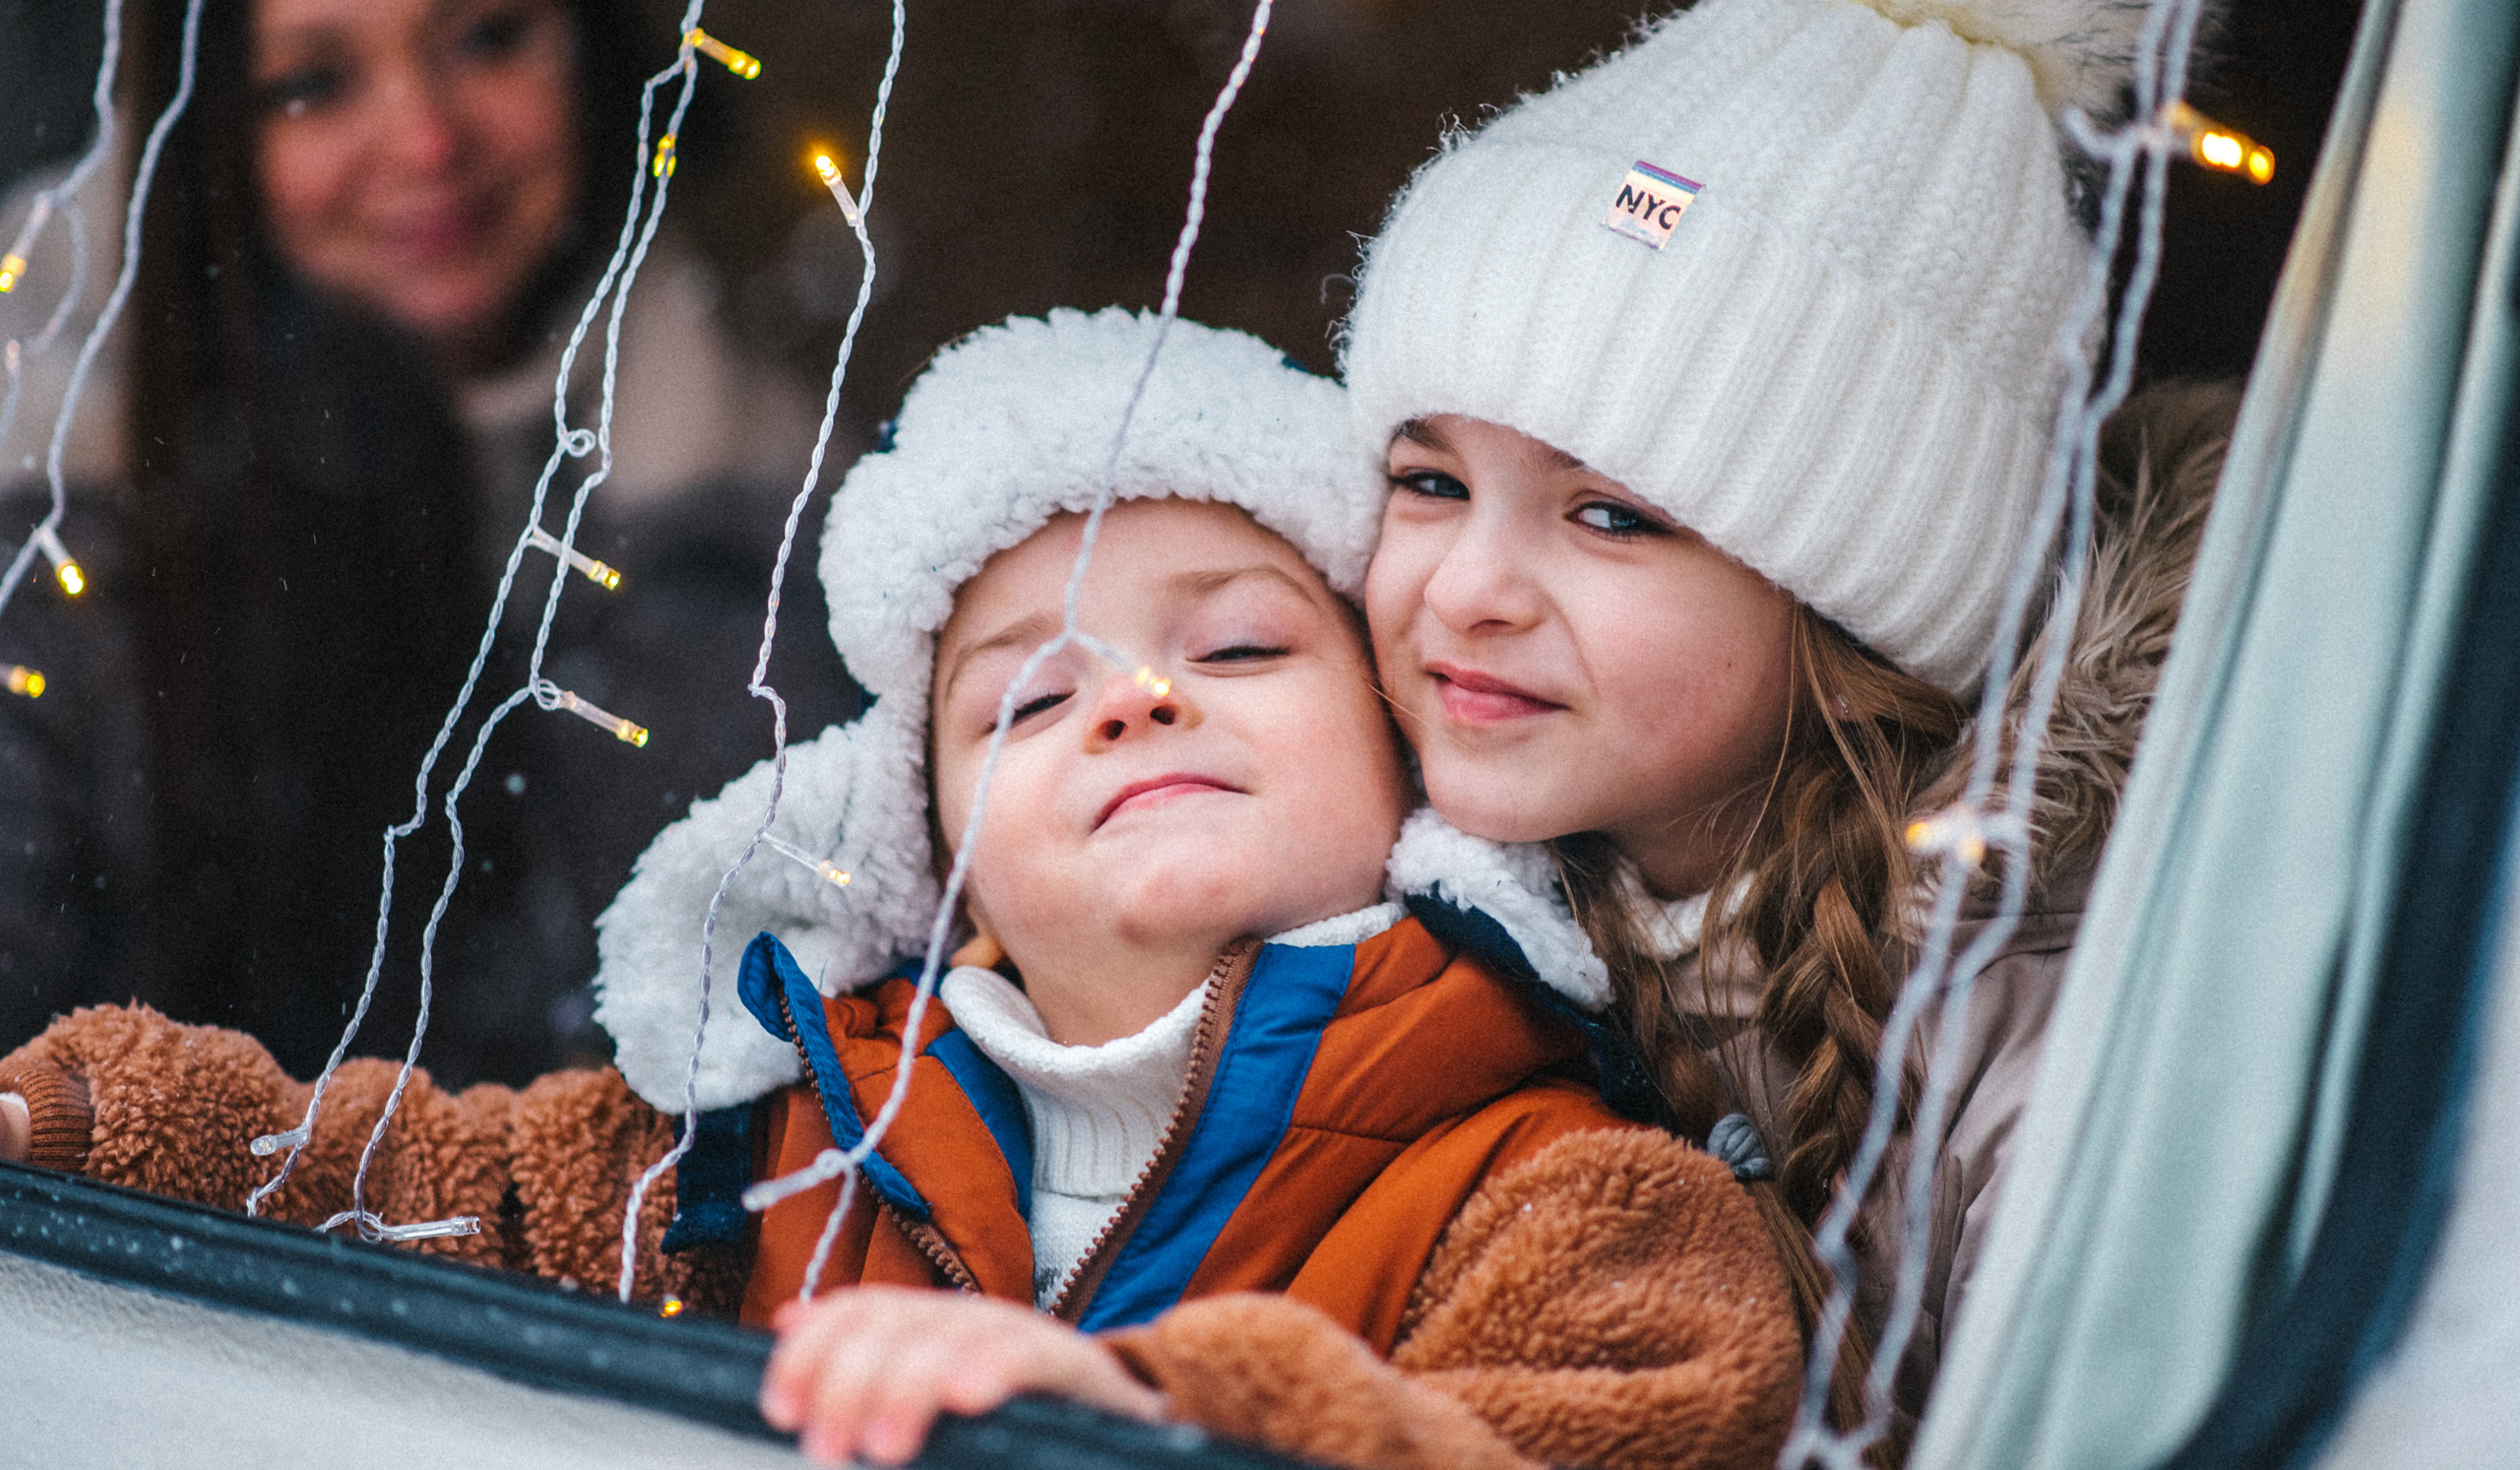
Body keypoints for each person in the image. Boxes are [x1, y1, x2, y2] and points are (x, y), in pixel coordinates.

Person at [2, 310, 1803, 1470]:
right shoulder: (779, 1141)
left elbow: (1619, 1429)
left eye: (1241, 644)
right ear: (940, 865)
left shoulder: (1570, 1183)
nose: (1135, 695)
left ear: (1407, 763)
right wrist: (94, 1116)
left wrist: (1179, 1419)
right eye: (1029, 694)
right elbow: (425, 1188)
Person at [1337, 0, 2240, 1438]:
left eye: (1612, 514)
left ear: (1848, 597)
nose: (1466, 588)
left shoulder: (2034, 1029)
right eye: (1427, 480)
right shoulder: (1352, 884)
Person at [0, 0, 854, 1084]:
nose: (425, 137)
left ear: (591, 46)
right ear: (207, 143)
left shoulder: (778, 541)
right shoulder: (54, 562)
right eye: (314, 84)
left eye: (487, 35)